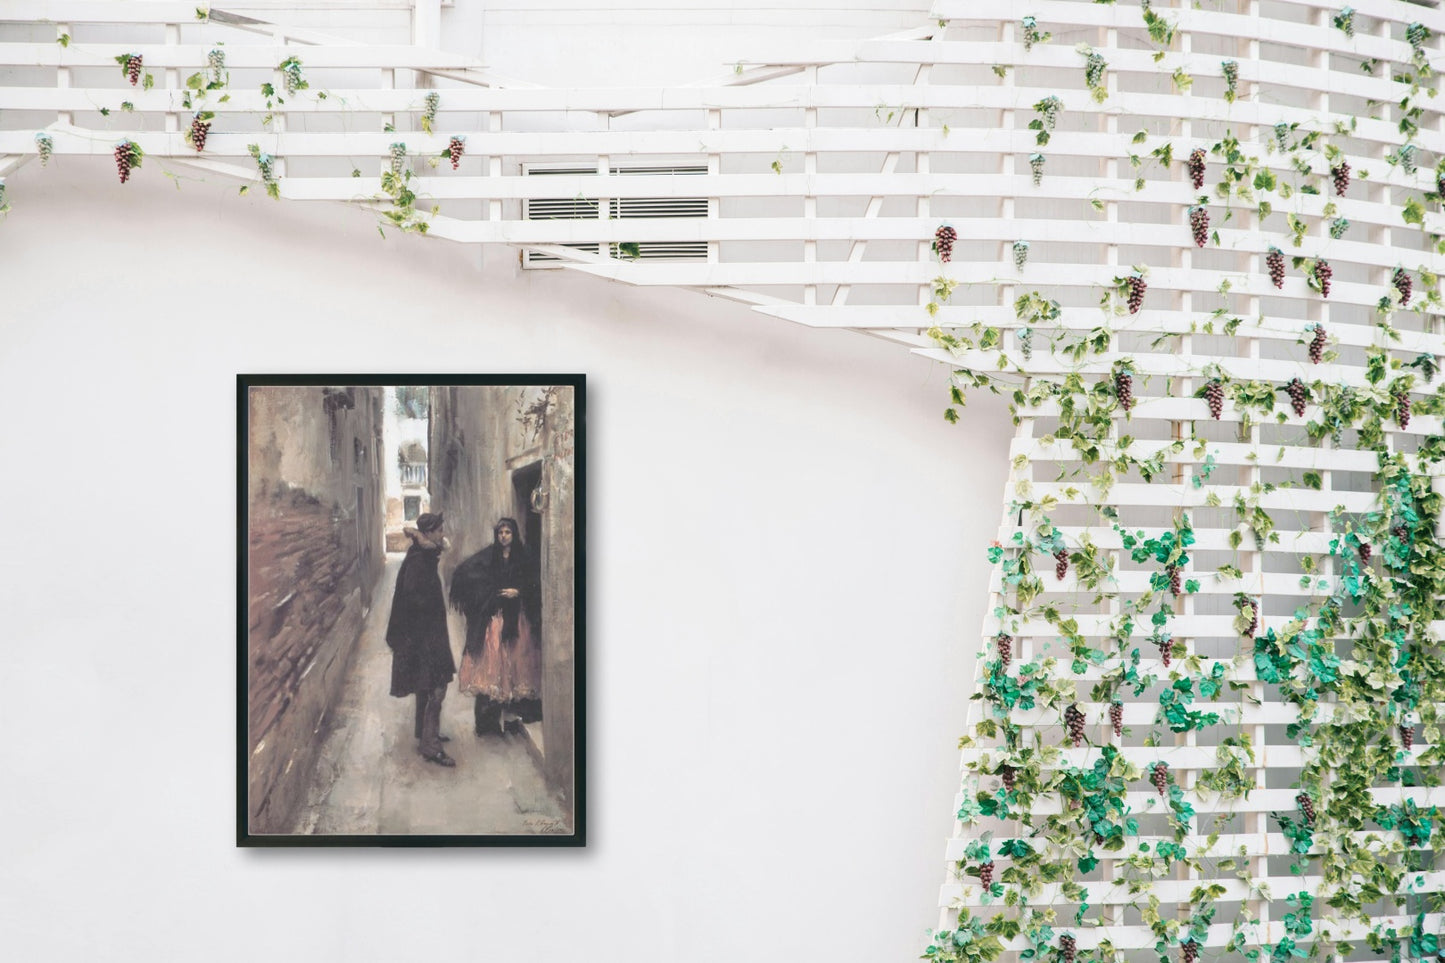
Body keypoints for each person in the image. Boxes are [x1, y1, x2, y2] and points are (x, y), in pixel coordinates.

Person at [450, 517, 542, 736]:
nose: (503, 536)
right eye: (500, 532)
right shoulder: (489, 555)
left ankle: (514, 718)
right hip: (496, 618)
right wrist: (490, 595)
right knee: (493, 666)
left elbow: (534, 583)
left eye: (507, 532)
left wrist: (517, 592)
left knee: (517, 665)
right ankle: (488, 724)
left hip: (517, 619)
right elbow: (467, 572)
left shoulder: (524, 556)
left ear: (514, 534)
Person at [384, 512, 457, 767]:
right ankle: (430, 746)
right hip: (424, 636)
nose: (443, 534)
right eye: (439, 530)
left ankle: (425, 733)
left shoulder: (424, 555)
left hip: (427, 634)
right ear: (427, 534)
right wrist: (429, 617)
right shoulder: (419, 560)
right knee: (437, 686)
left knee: (425, 684)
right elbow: (412, 598)